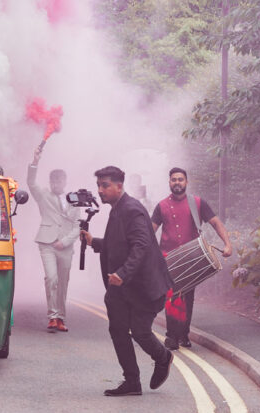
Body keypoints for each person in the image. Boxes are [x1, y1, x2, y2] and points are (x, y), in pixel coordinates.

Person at [81, 165, 175, 396]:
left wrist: (122, 274)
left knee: (140, 331)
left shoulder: (132, 209)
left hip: (143, 286)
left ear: (119, 186)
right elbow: (118, 244)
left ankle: (164, 357)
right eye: (99, 186)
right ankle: (132, 382)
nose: (100, 190)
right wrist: (94, 242)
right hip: (123, 288)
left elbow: (140, 246)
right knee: (118, 329)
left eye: (105, 186)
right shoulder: (117, 208)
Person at [151, 167, 234, 349]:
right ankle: (172, 336)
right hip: (168, 258)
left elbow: (215, 223)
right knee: (172, 297)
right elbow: (151, 230)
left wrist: (227, 244)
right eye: (174, 180)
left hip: (192, 258)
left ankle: (184, 334)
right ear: (169, 182)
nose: (177, 183)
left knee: (187, 297)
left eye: (180, 179)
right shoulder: (162, 205)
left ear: (186, 182)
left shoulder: (197, 203)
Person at [27, 144, 77, 332]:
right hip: (46, 242)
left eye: (60, 180)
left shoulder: (73, 199)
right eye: (53, 180)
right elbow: (31, 182)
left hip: (66, 245)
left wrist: (64, 242)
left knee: (63, 282)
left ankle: (61, 318)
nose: (56, 183)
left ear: (65, 182)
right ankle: (52, 316)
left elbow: (77, 224)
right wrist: (35, 161)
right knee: (52, 278)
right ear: (50, 181)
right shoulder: (43, 195)